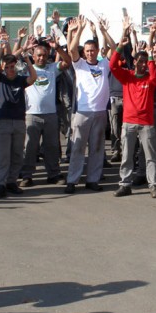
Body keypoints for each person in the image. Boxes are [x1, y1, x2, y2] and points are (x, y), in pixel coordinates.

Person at [109, 28, 156, 198]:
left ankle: (153, 185)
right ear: (134, 62)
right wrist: (119, 47)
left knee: (151, 157)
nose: (142, 64)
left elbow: (154, 72)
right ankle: (125, 184)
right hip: (129, 123)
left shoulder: (151, 79)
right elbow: (112, 65)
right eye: (139, 61)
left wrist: (151, 57)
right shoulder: (127, 76)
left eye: (144, 62)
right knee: (126, 156)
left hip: (147, 123)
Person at [65, 15, 114, 193]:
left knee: (97, 148)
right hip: (83, 113)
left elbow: (114, 48)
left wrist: (103, 31)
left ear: (97, 50)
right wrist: (77, 31)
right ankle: (72, 180)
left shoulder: (104, 65)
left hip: (100, 112)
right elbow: (71, 49)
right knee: (78, 148)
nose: (90, 53)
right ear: (84, 52)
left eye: (92, 50)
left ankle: (92, 180)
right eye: (87, 51)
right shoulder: (80, 65)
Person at [0, 48, 38, 199]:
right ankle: (0, 185)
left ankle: (11, 182)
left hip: (19, 121)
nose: (10, 70)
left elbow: (33, 77)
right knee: (3, 156)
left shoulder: (20, 79)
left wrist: (27, 60)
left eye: (12, 66)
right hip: (3, 121)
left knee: (17, 154)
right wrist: (1, 47)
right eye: (7, 67)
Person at [21, 40, 69, 186]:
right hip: (31, 115)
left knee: (52, 147)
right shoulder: (26, 69)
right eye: (39, 55)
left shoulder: (52, 68)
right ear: (33, 56)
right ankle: (27, 176)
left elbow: (68, 62)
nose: (42, 58)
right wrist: (23, 48)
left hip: (50, 115)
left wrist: (58, 49)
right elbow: (11, 58)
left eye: (44, 55)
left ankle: (53, 174)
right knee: (30, 147)